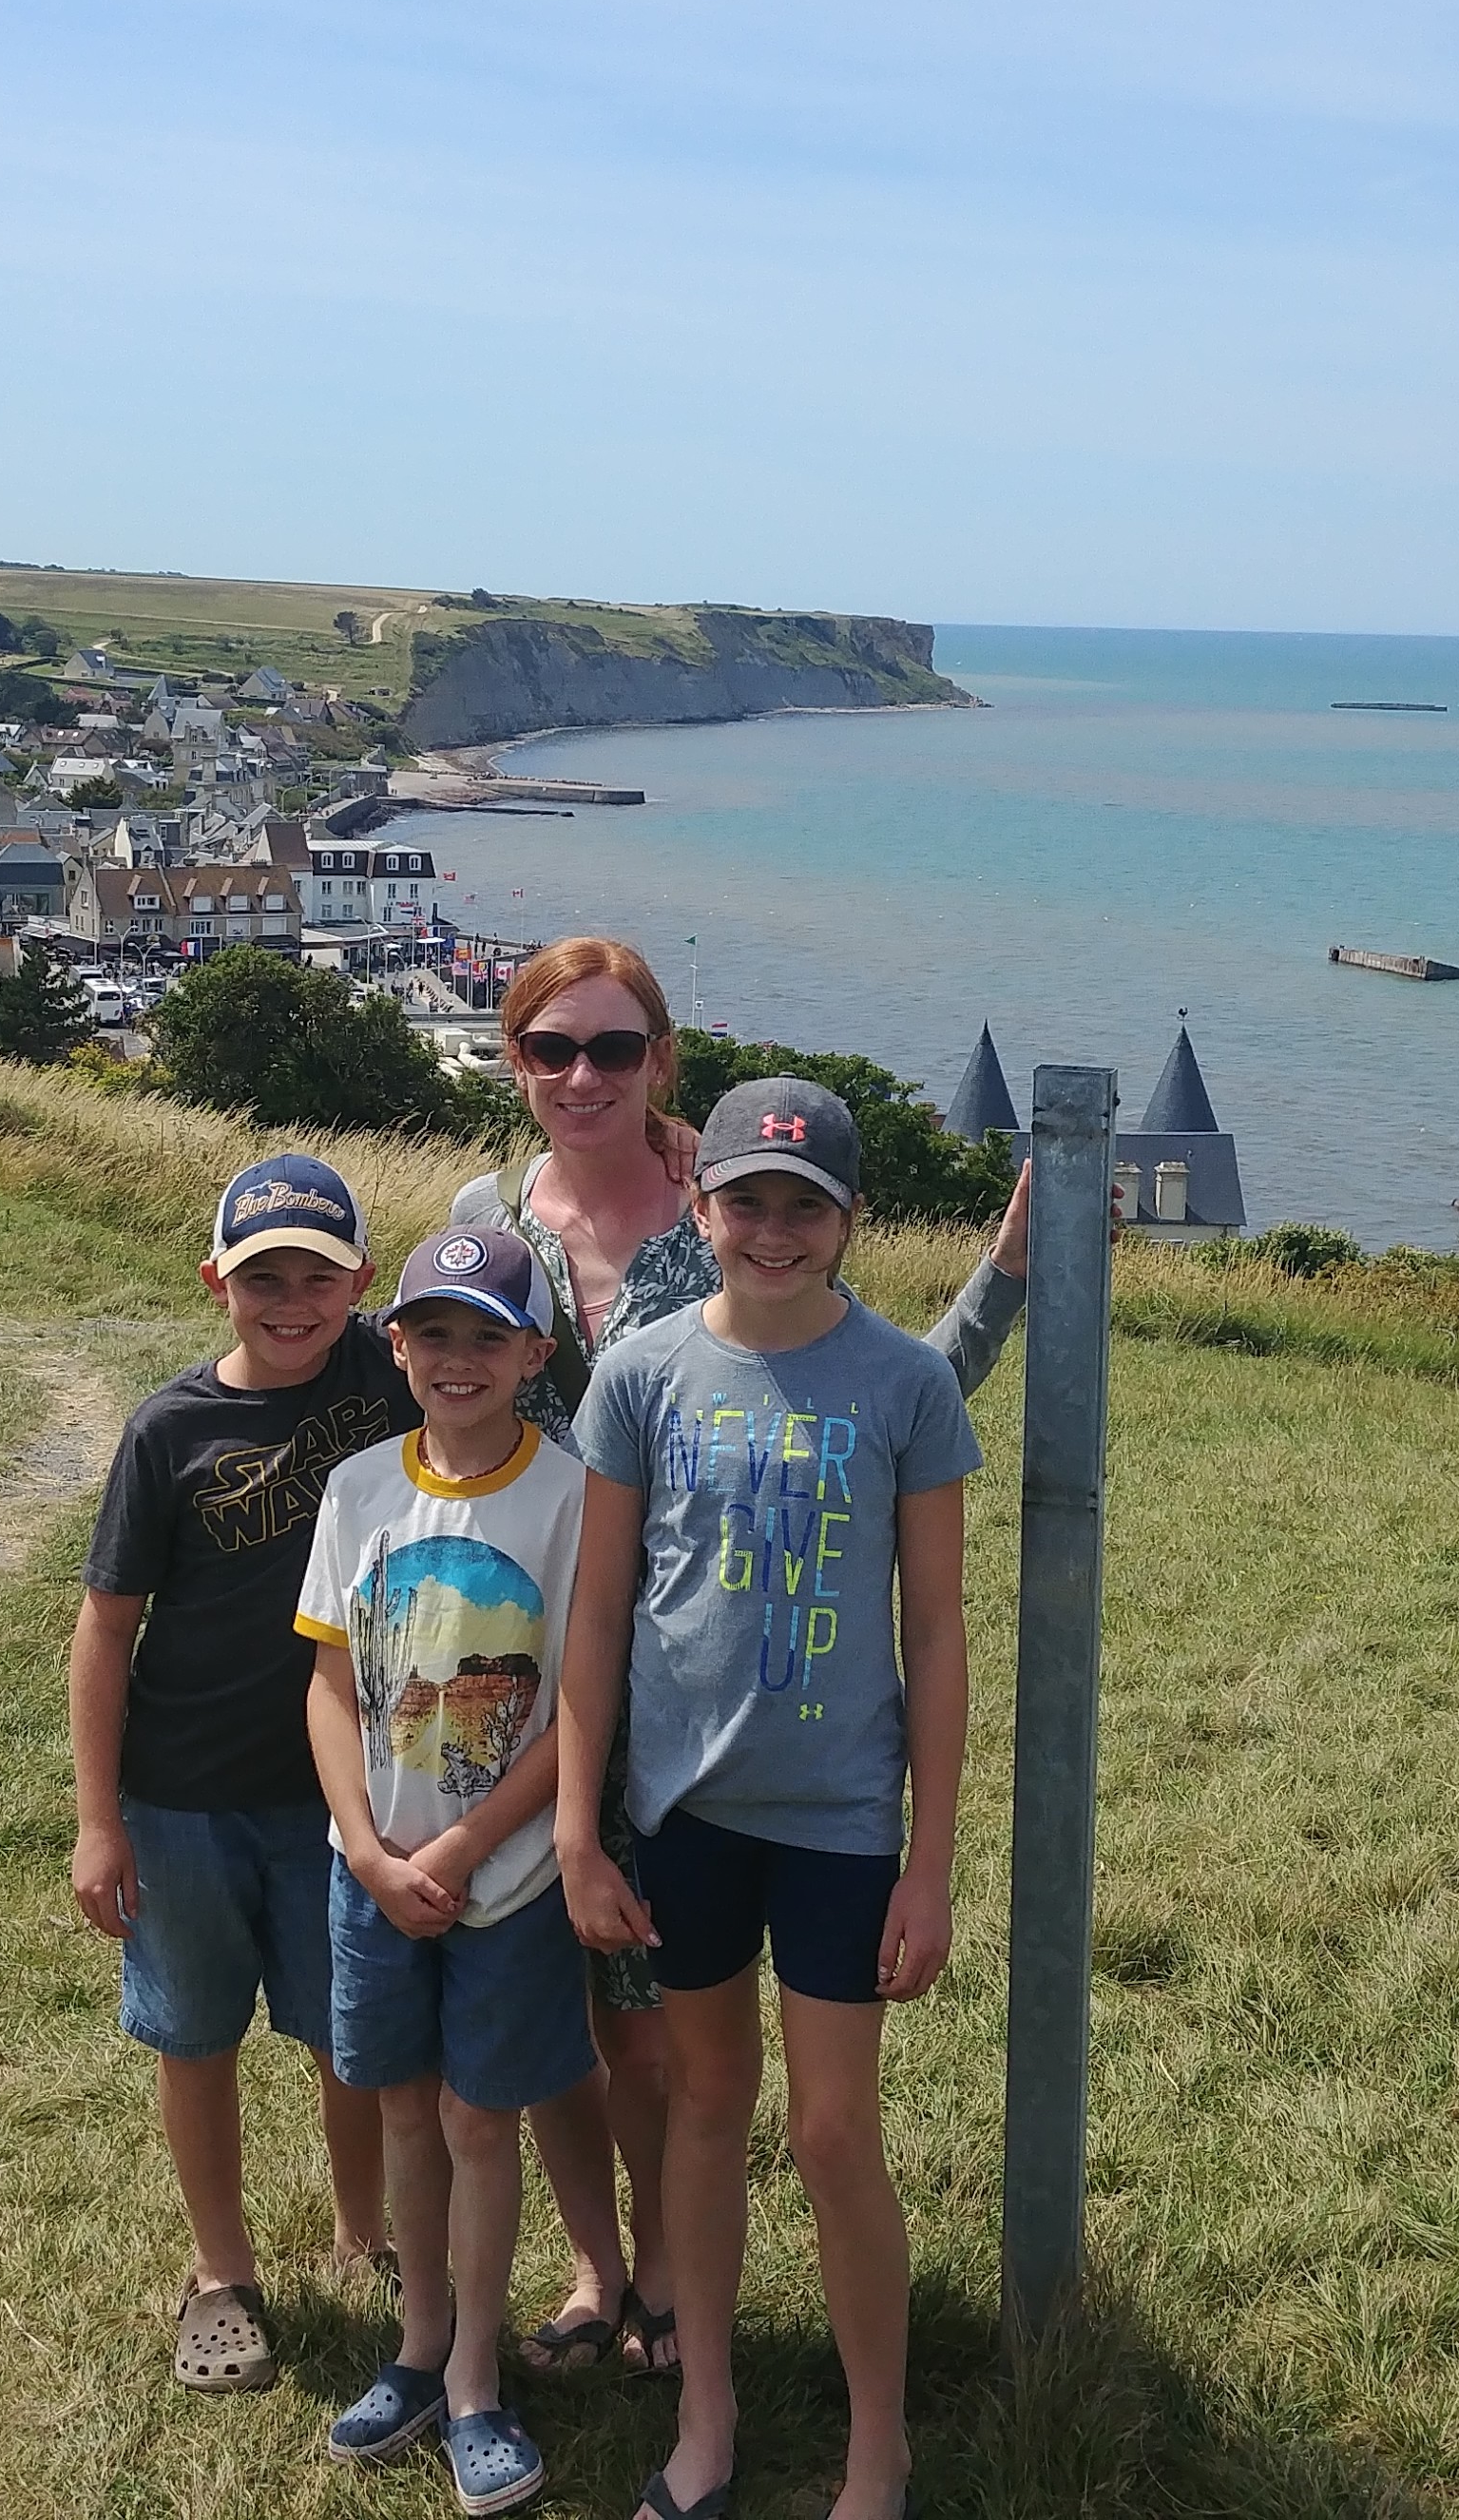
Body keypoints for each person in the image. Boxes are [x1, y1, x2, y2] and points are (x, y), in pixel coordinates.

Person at [447, 935, 1027, 2382]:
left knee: (665, 2043)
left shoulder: (716, 1199)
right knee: (559, 2000)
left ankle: (667, 2275)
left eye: (614, 1047)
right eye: (552, 1048)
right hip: (532, 1648)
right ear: (517, 1062)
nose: (584, 1074)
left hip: (705, 1690)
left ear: (661, 1062)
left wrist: (1012, 1270)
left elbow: (861, 1391)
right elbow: (438, 1380)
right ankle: (599, 2265)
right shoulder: (486, 1217)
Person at [558, 1078, 979, 2520]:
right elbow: (599, 1614)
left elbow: (936, 1634)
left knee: (833, 2133)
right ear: (701, 1207)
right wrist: (577, 1831)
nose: (776, 1231)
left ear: (852, 1220)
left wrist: (930, 1864)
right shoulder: (644, 1374)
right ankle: (709, 2416)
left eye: (808, 1206)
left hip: (841, 1822)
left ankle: (878, 2446)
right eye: (748, 1202)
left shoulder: (906, 1383)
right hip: (686, 1815)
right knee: (705, 2105)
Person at [69, 1150, 403, 2395]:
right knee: (194, 2033)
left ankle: (366, 2237)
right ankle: (223, 2272)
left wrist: (664, 1145)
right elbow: (106, 1627)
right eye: (264, 1278)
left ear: (361, 1282)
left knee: (351, 2031)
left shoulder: (394, 1368)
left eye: (318, 1277)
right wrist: (99, 1821)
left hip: (345, 1790)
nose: (292, 1303)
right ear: (216, 1282)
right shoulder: (169, 1430)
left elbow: (509, 1282)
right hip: (186, 1789)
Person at [298, 1226, 595, 2516]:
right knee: (406, 2110)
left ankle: (476, 2375)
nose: (457, 1358)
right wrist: (368, 1850)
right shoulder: (359, 1488)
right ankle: (418, 2346)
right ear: (396, 1343)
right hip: (371, 1874)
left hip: (508, 1879)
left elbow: (580, 1704)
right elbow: (328, 1685)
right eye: (433, 1333)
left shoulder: (572, 1498)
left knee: (481, 2119)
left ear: (535, 1353)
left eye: (489, 1335)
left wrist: (469, 1846)